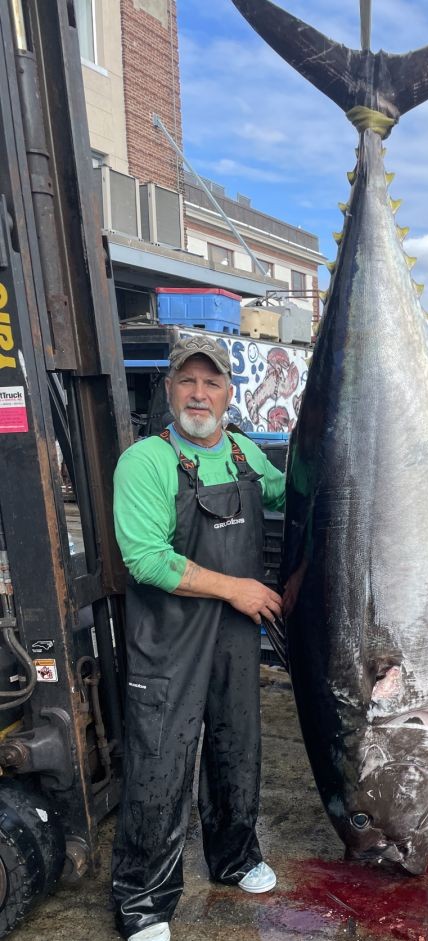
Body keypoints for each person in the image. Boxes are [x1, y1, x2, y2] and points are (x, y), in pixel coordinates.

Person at [111, 335, 286, 941]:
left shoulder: (244, 454)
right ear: (168, 390)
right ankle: (144, 901)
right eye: (188, 381)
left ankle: (235, 856)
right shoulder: (146, 462)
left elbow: (294, 493)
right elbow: (146, 560)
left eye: (211, 382)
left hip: (234, 637)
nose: (199, 393)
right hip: (169, 637)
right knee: (160, 759)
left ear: (230, 392)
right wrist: (236, 587)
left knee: (237, 746)